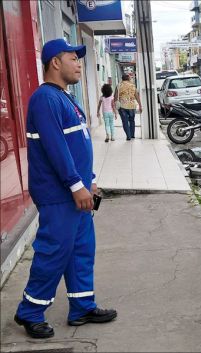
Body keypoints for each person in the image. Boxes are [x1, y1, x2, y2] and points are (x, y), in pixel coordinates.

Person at [14, 38, 117, 339]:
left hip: (78, 192)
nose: (79, 63)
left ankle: (82, 306)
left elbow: (77, 146)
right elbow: (56, 148)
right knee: (54, 251)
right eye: (73, 58)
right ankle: (29, 311)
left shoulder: (65, 98)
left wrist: (91, 179)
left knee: (81, 250)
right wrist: (76, 185)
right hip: (59, 195)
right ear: (55, 62)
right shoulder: (44, 99)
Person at [114, 73, 142, 140]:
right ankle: (132, 135)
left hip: (122, 106)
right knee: (132, 120)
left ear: (122, 79)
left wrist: (115, 105)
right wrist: (140, 105)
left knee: (125, 121)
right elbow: (137, 96)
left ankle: (128, 136)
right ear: (128, 78)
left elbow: (115, 96)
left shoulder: (118, 85)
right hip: (132, 106)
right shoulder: (132, 85)